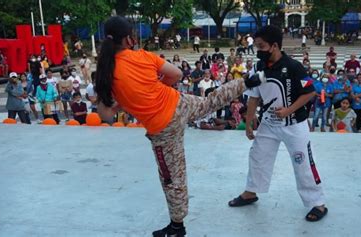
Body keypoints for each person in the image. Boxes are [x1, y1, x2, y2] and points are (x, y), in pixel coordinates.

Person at [94, 16, 263, 237]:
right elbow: (176, 74)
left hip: (164, 128)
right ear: (129, 39)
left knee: (172, 177)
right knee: (208, 103)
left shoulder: (105, 73)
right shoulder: (143, 56)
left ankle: (177, 227)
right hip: (178, 102)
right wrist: (152, 88)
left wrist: (125, 101)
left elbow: (105, 115)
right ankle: (247, 82)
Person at [228, 25, 328, 223]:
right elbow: (254, 96)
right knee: (257, 156)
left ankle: (318, 203)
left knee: (303, 163)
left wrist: (288, 111)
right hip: (268, 124)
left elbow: (311, 92)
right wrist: (249, 122)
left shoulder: (293, 66)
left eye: (261, 46)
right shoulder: (258, 68)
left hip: (294, 124)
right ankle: (251, 192)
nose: (258, 50)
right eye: (256, 46)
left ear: (274, 46)